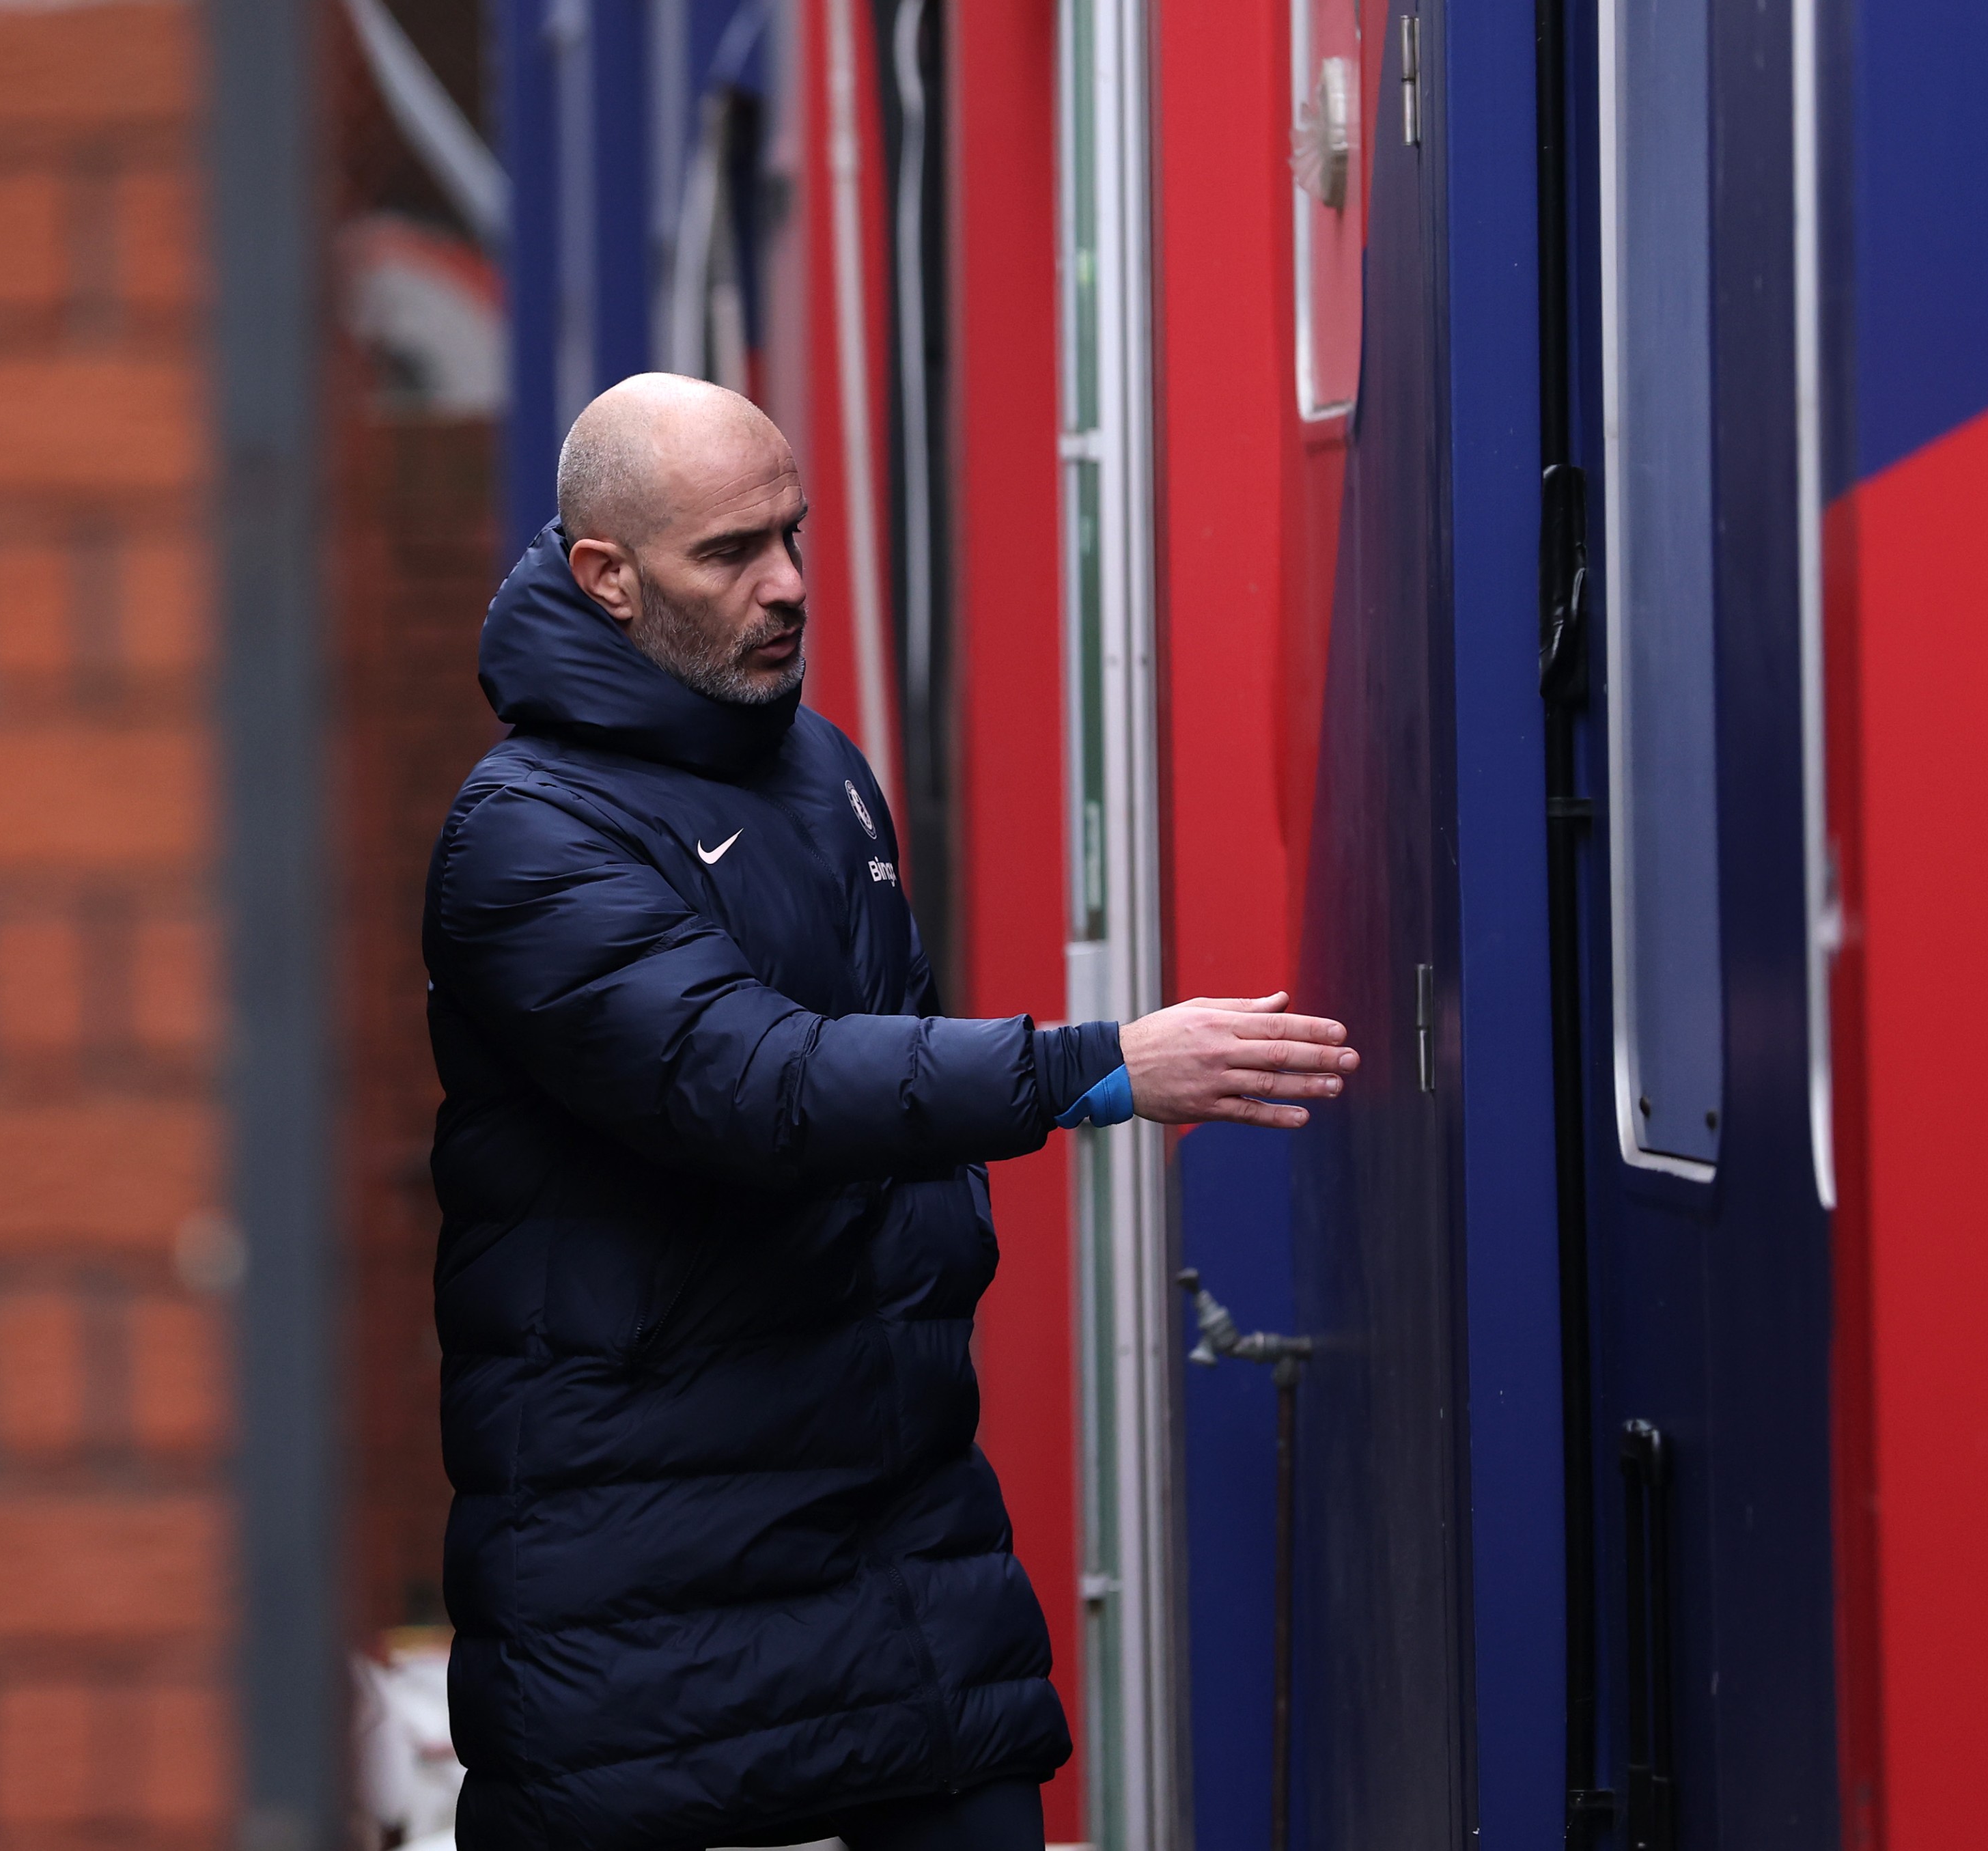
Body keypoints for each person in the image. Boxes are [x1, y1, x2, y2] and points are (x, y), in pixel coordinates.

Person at [425, 372, 1356, 1851]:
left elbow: (884, 1058)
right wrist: (1093, 1064)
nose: (787, 584)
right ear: (604, 575)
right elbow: (750, 1081)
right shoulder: (524, 834)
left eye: (793, 535)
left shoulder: (814, 769)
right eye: (731, 554)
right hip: (643, 1576)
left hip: (897, 1532)